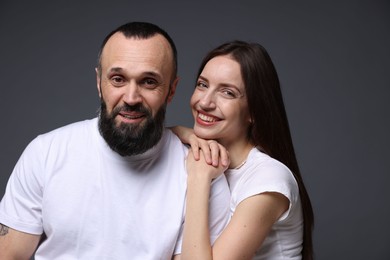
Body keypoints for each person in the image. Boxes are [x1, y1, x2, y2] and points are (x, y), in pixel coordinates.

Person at [0, 22, 231, 259]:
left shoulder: (202, 176)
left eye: (148, 82)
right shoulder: (45, 153)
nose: (131, 98)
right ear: (99, 83)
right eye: (118, 79)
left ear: (171, 90)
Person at [172, 41, 314, 259]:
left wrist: (198, 177)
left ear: (254, 111)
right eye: (202, 84)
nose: (205, 102)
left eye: (227, 92)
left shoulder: (267, 178)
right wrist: (184, 132)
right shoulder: (196, 153)